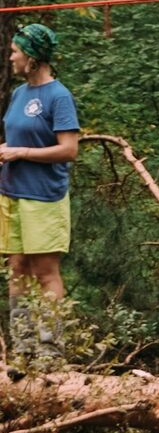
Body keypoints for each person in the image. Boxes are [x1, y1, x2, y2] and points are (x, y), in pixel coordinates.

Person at [0, 24, 80, 363]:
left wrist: (21, 153)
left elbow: (68, 150)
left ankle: (50, 351)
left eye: (15, 51)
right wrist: (7, 149)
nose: (11, 56)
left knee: (44, 272)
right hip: (11, 193)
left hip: (44, 196)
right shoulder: (20, 94)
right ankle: (23, 348)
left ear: (32, 57)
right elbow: (18, 138)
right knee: (16, 268)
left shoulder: (58, 96)